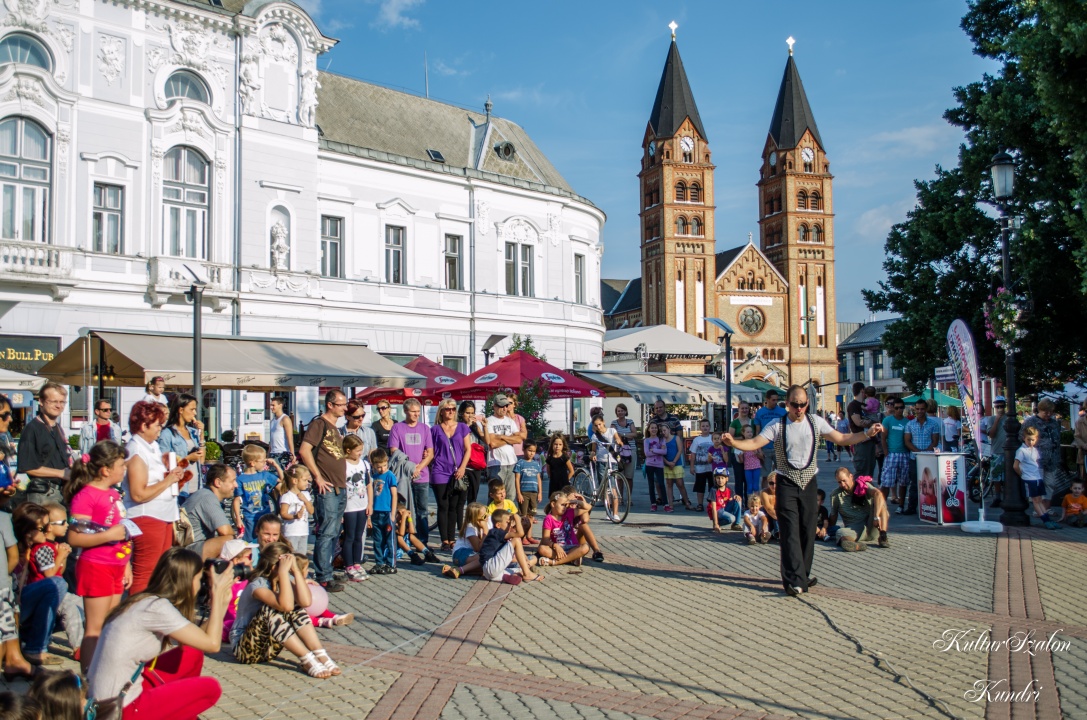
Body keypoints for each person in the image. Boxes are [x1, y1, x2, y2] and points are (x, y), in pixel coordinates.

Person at [723, 384, 883, 596]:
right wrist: (733, 442)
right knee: (790, 531)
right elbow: (754, 442)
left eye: (802, 404)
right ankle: (793, 580)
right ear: (787, 404)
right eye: (794, 405)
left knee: (808, 530)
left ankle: (803, 574)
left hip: (809, 482)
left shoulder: (815, 422)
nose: (799, 409)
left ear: (807, 403)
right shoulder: (777, 425)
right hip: (786, 482)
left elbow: (842, 438)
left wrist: (867, 434)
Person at [86, 548, 228, 718]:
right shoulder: (157, 609)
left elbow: (198, 641)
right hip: (119, 709)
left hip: (106, 699)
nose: (200, 585)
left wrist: (222, 602)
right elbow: (213, 645)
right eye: (199, 579)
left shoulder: (144, 601)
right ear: (188, 581)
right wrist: (217, 593)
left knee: (191, 653)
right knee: (210, 688)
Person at [62, 441, 131, 671]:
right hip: (96, 566)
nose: (125, 469)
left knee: (109, 625)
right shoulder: (85, 496)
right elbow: (74, 538)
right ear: (105, 470)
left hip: (116, 565)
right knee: (95, 628)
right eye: (121, 465)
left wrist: (127, 564)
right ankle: (88, 678)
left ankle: (104, 672)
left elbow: (121, 528)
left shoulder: (113, 493)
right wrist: (109, 535)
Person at [231, 542, 340, 678]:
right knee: (270, 609)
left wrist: (296, 572)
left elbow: (306, 602)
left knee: (297, 606)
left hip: (268, 649)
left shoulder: (285, 579)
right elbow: (285, 606)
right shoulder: (257, 585)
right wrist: (283, 572)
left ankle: (320, 654)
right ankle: (307, 659)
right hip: (245, 650)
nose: (289, 568)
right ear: (274, 566)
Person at [123, 401, 186, 595]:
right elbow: (138, 493)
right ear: (144, 426)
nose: (160, 429)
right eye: (158, 425)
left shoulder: (151, 447)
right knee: (145, 572)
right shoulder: (136, 452)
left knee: (159, 571)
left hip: (162, 514)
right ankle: (137, 609)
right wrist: (168, 480)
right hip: (147, 516)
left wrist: (172, 472)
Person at [299, 389, 348, 593]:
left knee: (334, 531)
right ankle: (323, 576)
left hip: (339, 486)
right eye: (341, 404)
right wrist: (317, 476)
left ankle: (327, 569)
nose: (345, 408)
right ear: (330, 405)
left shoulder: (336, 428)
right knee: (326, 532)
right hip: (327, 487)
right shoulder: (319, 424)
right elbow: (304, 450)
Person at [12, 505, 67, 668]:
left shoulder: (31, 549)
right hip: (11, 606)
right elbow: (51, 575)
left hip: (21, 605)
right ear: (28, 532)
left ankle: (34, 644)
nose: (48, 530)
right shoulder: (14, 550)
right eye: (43, 528)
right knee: (56, 584)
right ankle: (35, 648)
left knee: (62, 593)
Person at [388, 397, 434, 548]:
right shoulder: (397, 428)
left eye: (418, 412)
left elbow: (430, 453)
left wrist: (418, 468)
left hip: (422, 476)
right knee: (404, 509)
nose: (416, 414)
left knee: (422, 510)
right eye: (413, 411)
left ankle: (422, 541)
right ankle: (404, 539)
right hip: (403, 476)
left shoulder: (425, 428)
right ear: (405, 411)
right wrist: (411, 467)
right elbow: (394, 451)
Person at [40, 504, 83, 661]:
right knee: (70, 609)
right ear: (49, 527)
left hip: (59, 590)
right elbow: (49, 575)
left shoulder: (55, 545)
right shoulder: (43, 548)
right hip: (47, 593)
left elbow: (60, 571)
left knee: (85, 604)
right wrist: (60, 556)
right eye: (63, 522)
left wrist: (62, 557)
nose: (67, 525)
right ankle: (78, 648)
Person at [18, 383, 71, 507]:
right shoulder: (32, 429)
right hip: (43, 493)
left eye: (62, 402)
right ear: (41, 402)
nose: (58, 406)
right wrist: (60, 473)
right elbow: (26, 466)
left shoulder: (57, 428)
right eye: (54, 401)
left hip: (60, 492)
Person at [430, 398, 471, 551]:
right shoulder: (435, 429)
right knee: (443, 505)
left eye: (453, 409)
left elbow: (468, 449)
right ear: (441, 411)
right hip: (440, 470)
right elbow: (430, 450)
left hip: (457, 471)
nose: (451, 412)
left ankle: (452, 538)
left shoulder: (462, 427)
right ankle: (444, 540)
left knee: (453, 506)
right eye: (447, 409)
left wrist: (463, 467)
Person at [180, 464, 237, 561]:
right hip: (187, 553)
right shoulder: (207, 497)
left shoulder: (204, 494)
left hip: (189, 548)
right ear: (218, 482)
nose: (236, 485)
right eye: (232, 481)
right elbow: (225, 532)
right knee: (230, 540)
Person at [828, 468, 891, 551]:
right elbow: (833, 515)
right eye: (839, 482)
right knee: (840, 532)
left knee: (880, 502)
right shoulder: (835, 494)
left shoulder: (862, 485)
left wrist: (876, 517)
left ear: (851, 476)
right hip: (854, 528)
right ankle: (854, 545)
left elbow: (878, 494)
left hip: (872, 525)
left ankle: (883, 536)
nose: (842, 484)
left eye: (844, 480)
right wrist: (826, 528)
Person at [232, 444, 282, 543]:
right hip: (250, 518)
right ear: (252, 463)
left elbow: (282, 482)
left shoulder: (265, 475)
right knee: (250, 543)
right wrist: (238, 518)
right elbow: (237, 499)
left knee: (267, 541)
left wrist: (276, 466)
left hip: (265, 517)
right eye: (262, 461)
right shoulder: (240, 479)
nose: (265, 463)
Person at [158, 393, 206, 497]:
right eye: (192, 409)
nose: (195, 413)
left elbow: (202, 460)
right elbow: (163, 464)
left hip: (197, 486)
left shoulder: (193, 432)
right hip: (180, 488)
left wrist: (201, 436)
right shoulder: (167, 434)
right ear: (181, 410)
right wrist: (188, 459)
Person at [902, 399, 942, 515]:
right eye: (918, 409)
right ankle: (912, 507)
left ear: (926, 409)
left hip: (929, 457)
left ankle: (930, 506)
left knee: (931, 483)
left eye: (922, 409)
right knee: (914, 483)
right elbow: (907, 441)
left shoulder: (933, 424)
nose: (920, 411)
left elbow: (935, 441)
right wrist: (918, 452)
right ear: (915, 409)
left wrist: (925, 453)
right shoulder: (910, 424)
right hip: (914, 458)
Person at [479, 509, 541, 584]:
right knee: (516, 540)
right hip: (491, 566)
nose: (510, 525)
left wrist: (525, 560)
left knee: (520, 569)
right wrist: (517, 519)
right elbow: (520, 534)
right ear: (498, 525)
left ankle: (510, 576)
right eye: (507, 523)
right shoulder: (497, 532)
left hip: (491, 572)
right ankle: (527, 574)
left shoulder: (498, 534)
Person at [1015, 426, 1059, 529]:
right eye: (1028, 440)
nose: (1030, 442)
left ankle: (1048, 519)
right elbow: (1015, 466)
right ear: (1024, 438)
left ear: (1036, 439)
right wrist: (1022, 475)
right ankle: (1045, 520)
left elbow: (1035, 463)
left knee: (1039, 499)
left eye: (1033, 440)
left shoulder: (1034, 450)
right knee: (1035, 500)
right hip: (1029, 478)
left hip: (1037, 477)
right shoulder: (1021, 451)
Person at [1019, 399, 1063, 499]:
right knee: (1037, 485)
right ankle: (1039, 506)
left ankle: (1046, 506)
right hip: (1037, 460)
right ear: (1039, 410)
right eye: (1046, 412)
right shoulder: (1030, 422)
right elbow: (1021, 437)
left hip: (1052, 460)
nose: (1049, 414)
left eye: (1050, 412)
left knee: (1050, 484)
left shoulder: (1054, 423)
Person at [341, 435, 372, 582]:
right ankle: (349, 565)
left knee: (359, 536)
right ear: (348, 450)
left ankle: (357, 563)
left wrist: (370, 504)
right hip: (349, 507)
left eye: (361, 450)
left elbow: (368, 485)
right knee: (350, 536)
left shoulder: (364, 464)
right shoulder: (343, 465)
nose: (360, 453)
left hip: (362, 505)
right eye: (358, 450)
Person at [536, 492, 590, 567]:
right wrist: (555, 546)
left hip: (573, 547)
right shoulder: (548, 519)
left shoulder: (569, 513)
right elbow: (545, 540)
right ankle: (571, 558)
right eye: (562, 505)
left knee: (585, 547)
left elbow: (588, 507)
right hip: (558, 549)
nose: (564, 507)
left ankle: (555, 562)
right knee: (542, 549)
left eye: (565, 505)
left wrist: (575, 501)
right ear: (553, 504)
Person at [368, 449, 398, 575]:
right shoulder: (373, 477)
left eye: (384, 465)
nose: (382, 469)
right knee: (377, 540)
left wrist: (393, 513)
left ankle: (391, 564)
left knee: (390, 540)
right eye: (379, 467)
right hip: (376, 512)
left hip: (387, 512)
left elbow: (394, 495)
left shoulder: (390, 475)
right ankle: (379, 562)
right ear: (374, 465)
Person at [485, 394, 520, 500]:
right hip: (495, 463)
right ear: (494, 406)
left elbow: (518, 439)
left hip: (512, 462)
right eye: (501, 406)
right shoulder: (489, 421)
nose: (505, 408)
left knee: (510, 496)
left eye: (506, 406)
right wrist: (510, 438)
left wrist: (501, 437)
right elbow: (492, 443)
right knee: (495, 496)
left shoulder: (510, 421)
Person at [589, 415, 624, 518]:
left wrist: (619, 442)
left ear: (603, 422)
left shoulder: (612, 431)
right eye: (596, 425)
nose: (598, 427)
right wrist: (593, 454)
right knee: (605, 488)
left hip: (612, 461)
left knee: (613, 487)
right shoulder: (595, 436)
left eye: (599, 424)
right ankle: (608, 511)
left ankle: (615, 513)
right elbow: (593, 449)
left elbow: (618, 439)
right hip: (601, 461)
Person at [442, 502, 487, 579]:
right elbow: (478, 548)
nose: (487, 516)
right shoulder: (470, 528)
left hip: (471, 555)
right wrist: (486, 530)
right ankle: (459, 569)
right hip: (461, 553)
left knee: (488, 568)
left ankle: (456, 570)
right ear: (475, 519)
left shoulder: (483, 524)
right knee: (485, 558)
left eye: (487, 512)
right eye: (484, 516)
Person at [278, 465, 314, 557]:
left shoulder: (306, 494)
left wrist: (305, 500)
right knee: (291, 555)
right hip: (291, 532)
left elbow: (311, 511)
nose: (307, 483)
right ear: (295, 481)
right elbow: (283, 514)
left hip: (304, 531)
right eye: (305, 480)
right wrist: (294, 516)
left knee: (301, 556)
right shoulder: (287, 496)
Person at [880, 398, 910, 506]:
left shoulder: (907, 422)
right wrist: (886, 452)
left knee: (903, 482)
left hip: (904, 453)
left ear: (903, 408)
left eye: (901, 408)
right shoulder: (887, 420)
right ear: (893, 408)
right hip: (892, 453)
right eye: (896, 408)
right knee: (886, 482)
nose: (899, 410)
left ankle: (901, 505)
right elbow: (883, 437)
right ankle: (882, 506)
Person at [752, 389, 787, 479]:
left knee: (781, 474)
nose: (775, 402)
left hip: (779, 447)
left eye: (776, 400)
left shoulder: (783, 412)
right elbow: (757, 431)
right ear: (767, 399)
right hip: (765, 447)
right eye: (773, 400)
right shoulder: (760, 412)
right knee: (765, 476)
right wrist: (759, 449)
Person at [513, 440, 543, 543]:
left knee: (531, 515)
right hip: (524, 493)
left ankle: (529, 536)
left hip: (534, 493)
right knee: (523, 516)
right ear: (524, 450)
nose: (531, 453)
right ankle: (523, 537)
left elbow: (539, 479)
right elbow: (517, 479)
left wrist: (540, 492)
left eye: (533, 451)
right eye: (529, 450)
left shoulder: (536, 464)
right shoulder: (520, 463)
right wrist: (519, 493)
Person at [458, 401, 487, 506]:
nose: (470, 416)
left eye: (472, 413)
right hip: (463, 464)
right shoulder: (458, 426)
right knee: (461, 496)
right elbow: (457, 441)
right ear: (461, 413)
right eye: (467, 413)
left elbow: (485, 440)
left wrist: (484, 426)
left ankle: (471, 515)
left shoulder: (475, 426)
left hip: (475, 465)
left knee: (473, 496)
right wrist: (467, 425)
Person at [847, 382, 878, 478]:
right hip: (861, 441)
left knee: (870, 470)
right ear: (862, 390)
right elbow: (858, 422)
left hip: (870, 440)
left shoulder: (866, 405)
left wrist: (869, 422)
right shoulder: (853, 405)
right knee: (861, 471)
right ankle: (856, 487)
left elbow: (875, 421)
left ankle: (866, 488)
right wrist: (869, 422)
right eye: (865, 391)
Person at [982, 396, 1008, 506]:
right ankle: (997, 497)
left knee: (1008, 475)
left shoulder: (1009, 418)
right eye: (997, 407)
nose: (1000, 409)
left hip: (1008, 451)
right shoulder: (991, 419)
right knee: (996, 475)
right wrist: (997, 420)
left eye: (1002, 406)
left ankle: (1007, 496)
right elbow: (991, 434)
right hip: (996, 450)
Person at [395, 495, 436, 565]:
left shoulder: (405, 522)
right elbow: (401, 533)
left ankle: (427, 553)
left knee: (411, 536)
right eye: (402, 513)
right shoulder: (393, 523)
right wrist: (404, 518)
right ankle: (413, 555)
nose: (403, 515)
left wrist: (409, 518)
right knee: (399, 537)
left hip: (400, 549)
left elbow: (412, 531)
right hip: (392, 550)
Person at [610, 403, 638, 497]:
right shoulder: (614, 423)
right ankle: (620, 497)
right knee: (619, 476)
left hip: (631, 451)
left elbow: (635, 434)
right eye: (618, 411)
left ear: (625, 411)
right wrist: (627, 435)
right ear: (616, 412)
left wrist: (623, 435)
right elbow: (615, 435)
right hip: (619, 452)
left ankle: (629, 497)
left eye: (622, 410)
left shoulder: (630, 421)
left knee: (629, 476)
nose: (620, 412)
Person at [687, 419, 714, 512]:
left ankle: (712, 503)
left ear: (710, 427)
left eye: (707, 426)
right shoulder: (697, 440)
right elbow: (693, 454)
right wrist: (692, 466)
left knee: (712, 486)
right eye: (703, 426)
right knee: (700, 487)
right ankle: (700, 504)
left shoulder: (713, 438)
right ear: (700, 428)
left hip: (712, 468)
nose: (705, 428)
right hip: (700, 468)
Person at [642, 422, 667, 511]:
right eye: (652, 428)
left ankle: (666, 503)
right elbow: (647, 453)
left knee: (661, 484)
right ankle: (653, 503)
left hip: (659, 465)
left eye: (655, 428)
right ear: (649, 429)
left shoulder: (661, 439)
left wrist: (654, 450)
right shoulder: (646, 440)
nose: (654, 429)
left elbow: (664, 452)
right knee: (651, 485)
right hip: (649, 464)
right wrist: (659, 451)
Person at [707, 468, 742, 532]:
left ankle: (736, 524)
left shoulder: (729, 488)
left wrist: (736, 496)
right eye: (718, 478)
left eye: (722, 478)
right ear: (715, 479)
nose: (720, 480)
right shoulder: (713, 490)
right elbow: (714, 508)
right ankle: (717, 524)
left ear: (727, 479)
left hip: (725, 508)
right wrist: (716, 524)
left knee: (738, 500)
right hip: (718, 511)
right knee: (732, 518)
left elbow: (733, 500)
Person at [736, 425, 764, 504]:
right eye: (748, 432)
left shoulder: (756, 443)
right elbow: (741, 461)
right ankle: (749, 503)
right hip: (747, 468)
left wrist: (756, 452)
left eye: (751, 432)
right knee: (749, 486)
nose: (750, 433)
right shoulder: (742, 444)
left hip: (756, 467)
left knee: (756, 486)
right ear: (743, 433)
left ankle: (757, 503)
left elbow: (761, 456)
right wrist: (740, 457)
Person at [545, 434, 575, 500]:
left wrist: (566, 479)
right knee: (554, 500)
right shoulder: (549, 459)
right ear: (552, 445)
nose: (557, 446)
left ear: (563, 445)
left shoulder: (564, 458)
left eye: (560, 444)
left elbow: (571, 471)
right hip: (553, 485)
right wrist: (553, 478)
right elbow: (548, 472)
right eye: (555, 444)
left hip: (564, 485)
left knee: (564, 500)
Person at [269, 396, 295, 468]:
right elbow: (271, 439)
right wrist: (268, 453)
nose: (271, 407)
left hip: (282, 453)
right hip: (273, 453)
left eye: (273, 405)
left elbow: (290, 437)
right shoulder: (272, 421)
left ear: (280, 406)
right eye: (271, 405)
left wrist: (292, 453)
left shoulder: (285, 419)